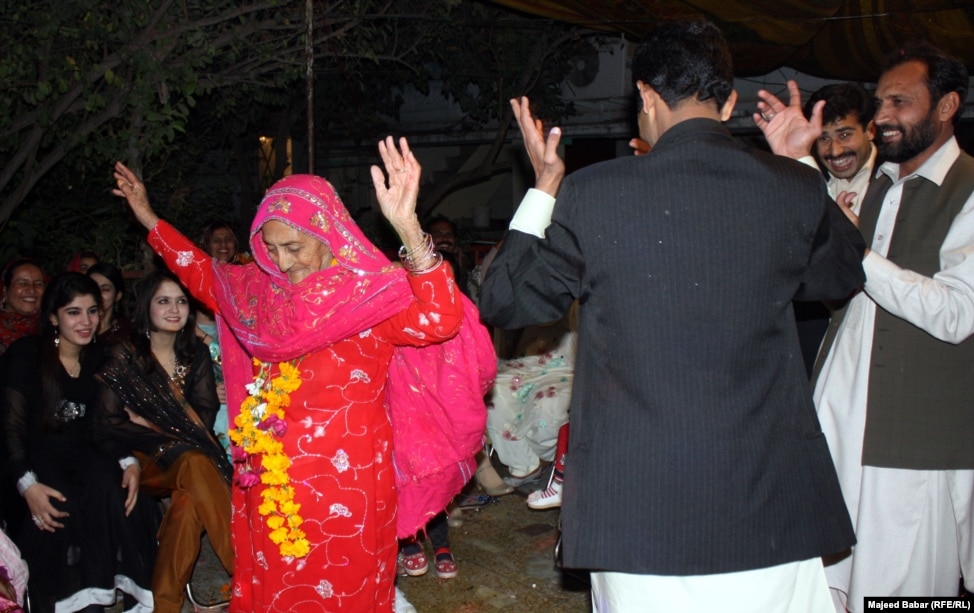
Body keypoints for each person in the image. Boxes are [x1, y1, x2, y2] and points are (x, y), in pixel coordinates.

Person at [480, 20, 866, 612]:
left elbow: (507, 300)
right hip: (771, 507)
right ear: (731, 100)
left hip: (639, 510)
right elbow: (843, 276)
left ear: (646, 97)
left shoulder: (593, 192)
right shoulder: (790, 187)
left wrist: (545, 185)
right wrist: (799, 161)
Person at [112, 135, 495, 612]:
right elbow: (202, 273)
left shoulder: (371, 294)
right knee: (281, 590)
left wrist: (410, 229)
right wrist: (148, 217)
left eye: (293, 247)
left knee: (348, 587)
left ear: (328, 234)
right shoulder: (259, 292)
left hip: (351, 480)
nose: (282, 263)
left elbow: (440, 318)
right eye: (270, 249)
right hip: (273, 479)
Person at [757, 41, 974, 610]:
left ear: (947, 105)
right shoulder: (884, 185)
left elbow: (955, 315)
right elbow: (833, 251)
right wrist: (799, 160)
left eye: (899, 102)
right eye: (880, 103)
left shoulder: (969, 189)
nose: (881, 116)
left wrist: (859, 255)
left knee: (904, 592)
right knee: (832, 588)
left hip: (911, 446)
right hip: (839, 427)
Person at [1, 272, 155, 612]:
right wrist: (27, 485)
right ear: (54, 317)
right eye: (74, 312)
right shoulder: (26, 354)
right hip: (34, 462)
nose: (86, 322)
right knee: (59, 500)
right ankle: (72, 600)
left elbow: (104, 426)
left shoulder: (100, 358)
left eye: (92, 311)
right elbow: (9, 429)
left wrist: (128, 462)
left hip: (86, 456)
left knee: (113, 488)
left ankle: (114, 591)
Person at [94, 269, 233, 613]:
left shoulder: (194, 355)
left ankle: (165, 606)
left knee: (187, 504)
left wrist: (150, 422)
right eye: (164, 301)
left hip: (187, 455)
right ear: (146, 307)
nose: (174, 309)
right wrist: (158, 433)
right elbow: (107, 421)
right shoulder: (124, 356)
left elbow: (203, 412)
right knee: (195, 462)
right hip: (138, 459)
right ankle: (249, 573)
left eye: (181, 301)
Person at [793, 82, 879, 376]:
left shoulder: (895, 183)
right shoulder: (808, 186)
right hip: (820, 344)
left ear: (870, 130)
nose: (835, 150)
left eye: (845, 134)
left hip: (878, 342)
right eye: (824, 138)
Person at [486, 305, 576, 487]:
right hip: (525, 361)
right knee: (494, 394)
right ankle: (523, 463)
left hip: (566, 365)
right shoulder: (529, 282)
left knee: (548, 402)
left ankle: (544, 457)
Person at [195, 221, 242, 457]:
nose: (223, 245)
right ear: (206, 245)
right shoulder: (196, 279)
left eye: (228, 239)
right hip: (206, 389)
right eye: (216, 240)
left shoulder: (245, 279)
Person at [0, 258, 45, 358]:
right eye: (22, 283)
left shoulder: (53, 325)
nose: (31, 290)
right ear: (5, 290)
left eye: (38, 284)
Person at [86, 262, 133, 345]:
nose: (98, 294)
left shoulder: (128, 332)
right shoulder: (77, 328)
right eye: (93, 288)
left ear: (118, 296)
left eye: (105, 289)